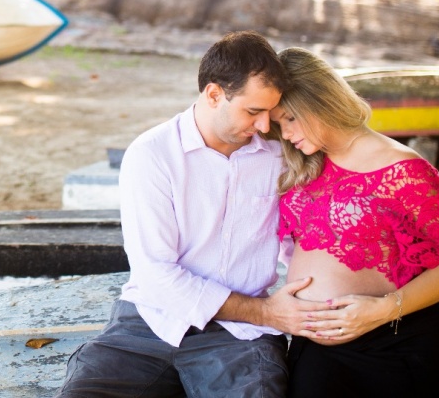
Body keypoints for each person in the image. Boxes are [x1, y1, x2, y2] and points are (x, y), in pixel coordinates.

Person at [55, 30, 325, 398]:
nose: (264, 126)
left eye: (269, 113)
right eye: (253, 111)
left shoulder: (279, 155)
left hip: (237, 336)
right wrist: (267, 313)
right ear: (214, 94)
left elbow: (302, 241)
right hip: (149, 321)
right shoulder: (152, 154)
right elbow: (155, 274)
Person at [272, 47, 439, 398]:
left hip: (398, 347)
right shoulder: (303, 163)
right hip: (319, 349)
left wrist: (383, 309)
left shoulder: (404, 170)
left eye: (290, 118)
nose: (285, 133)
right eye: (278, 124)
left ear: (319, 99)